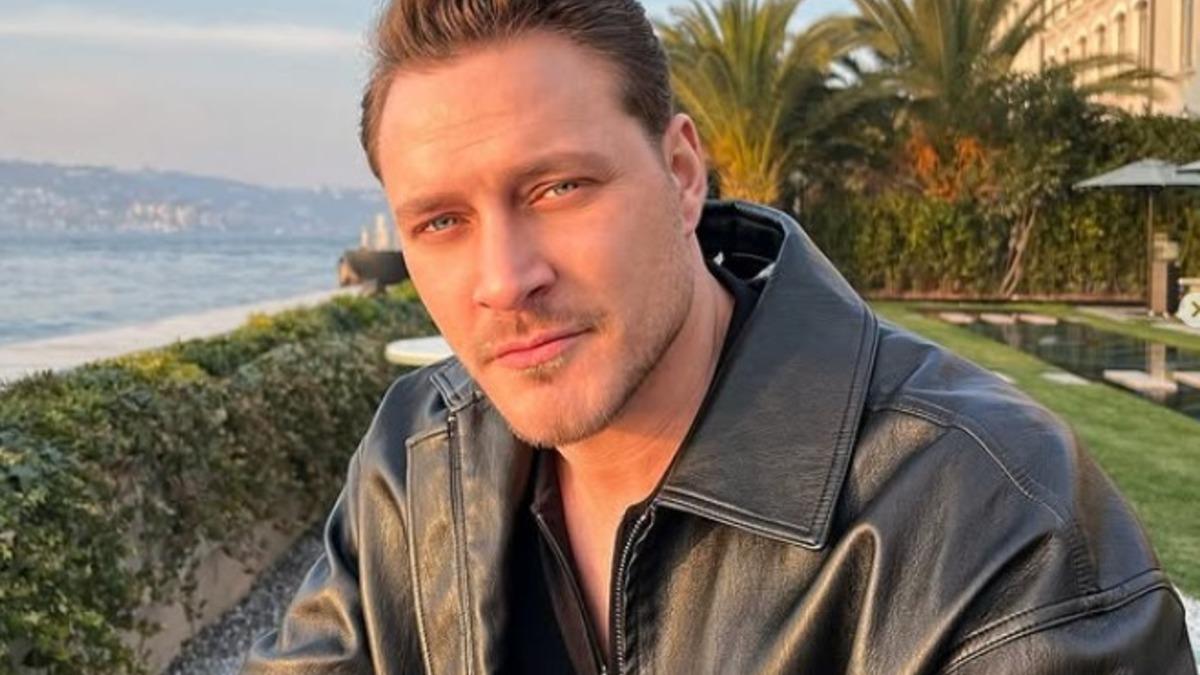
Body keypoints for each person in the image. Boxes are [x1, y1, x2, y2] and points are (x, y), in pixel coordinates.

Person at [243, 1, 1196, 673]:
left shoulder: (992, 517)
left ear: (682, 173)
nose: (504, 280)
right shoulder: (419, 458)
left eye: (560, 187)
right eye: (442, 221)